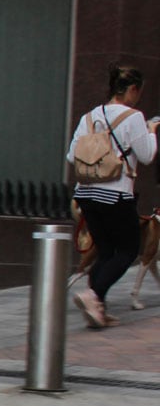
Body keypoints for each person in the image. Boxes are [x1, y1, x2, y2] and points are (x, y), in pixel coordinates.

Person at [69, 65, 158, 328]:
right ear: (132, 89)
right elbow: (147, 155)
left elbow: (72, 156)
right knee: (128, 250)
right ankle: (93, 296)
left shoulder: (89, 116)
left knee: (106, 251)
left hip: (85, 194)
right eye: (139, 91)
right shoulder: (133, 117)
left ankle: (98, 310)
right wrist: (152, 130)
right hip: (116, 195)